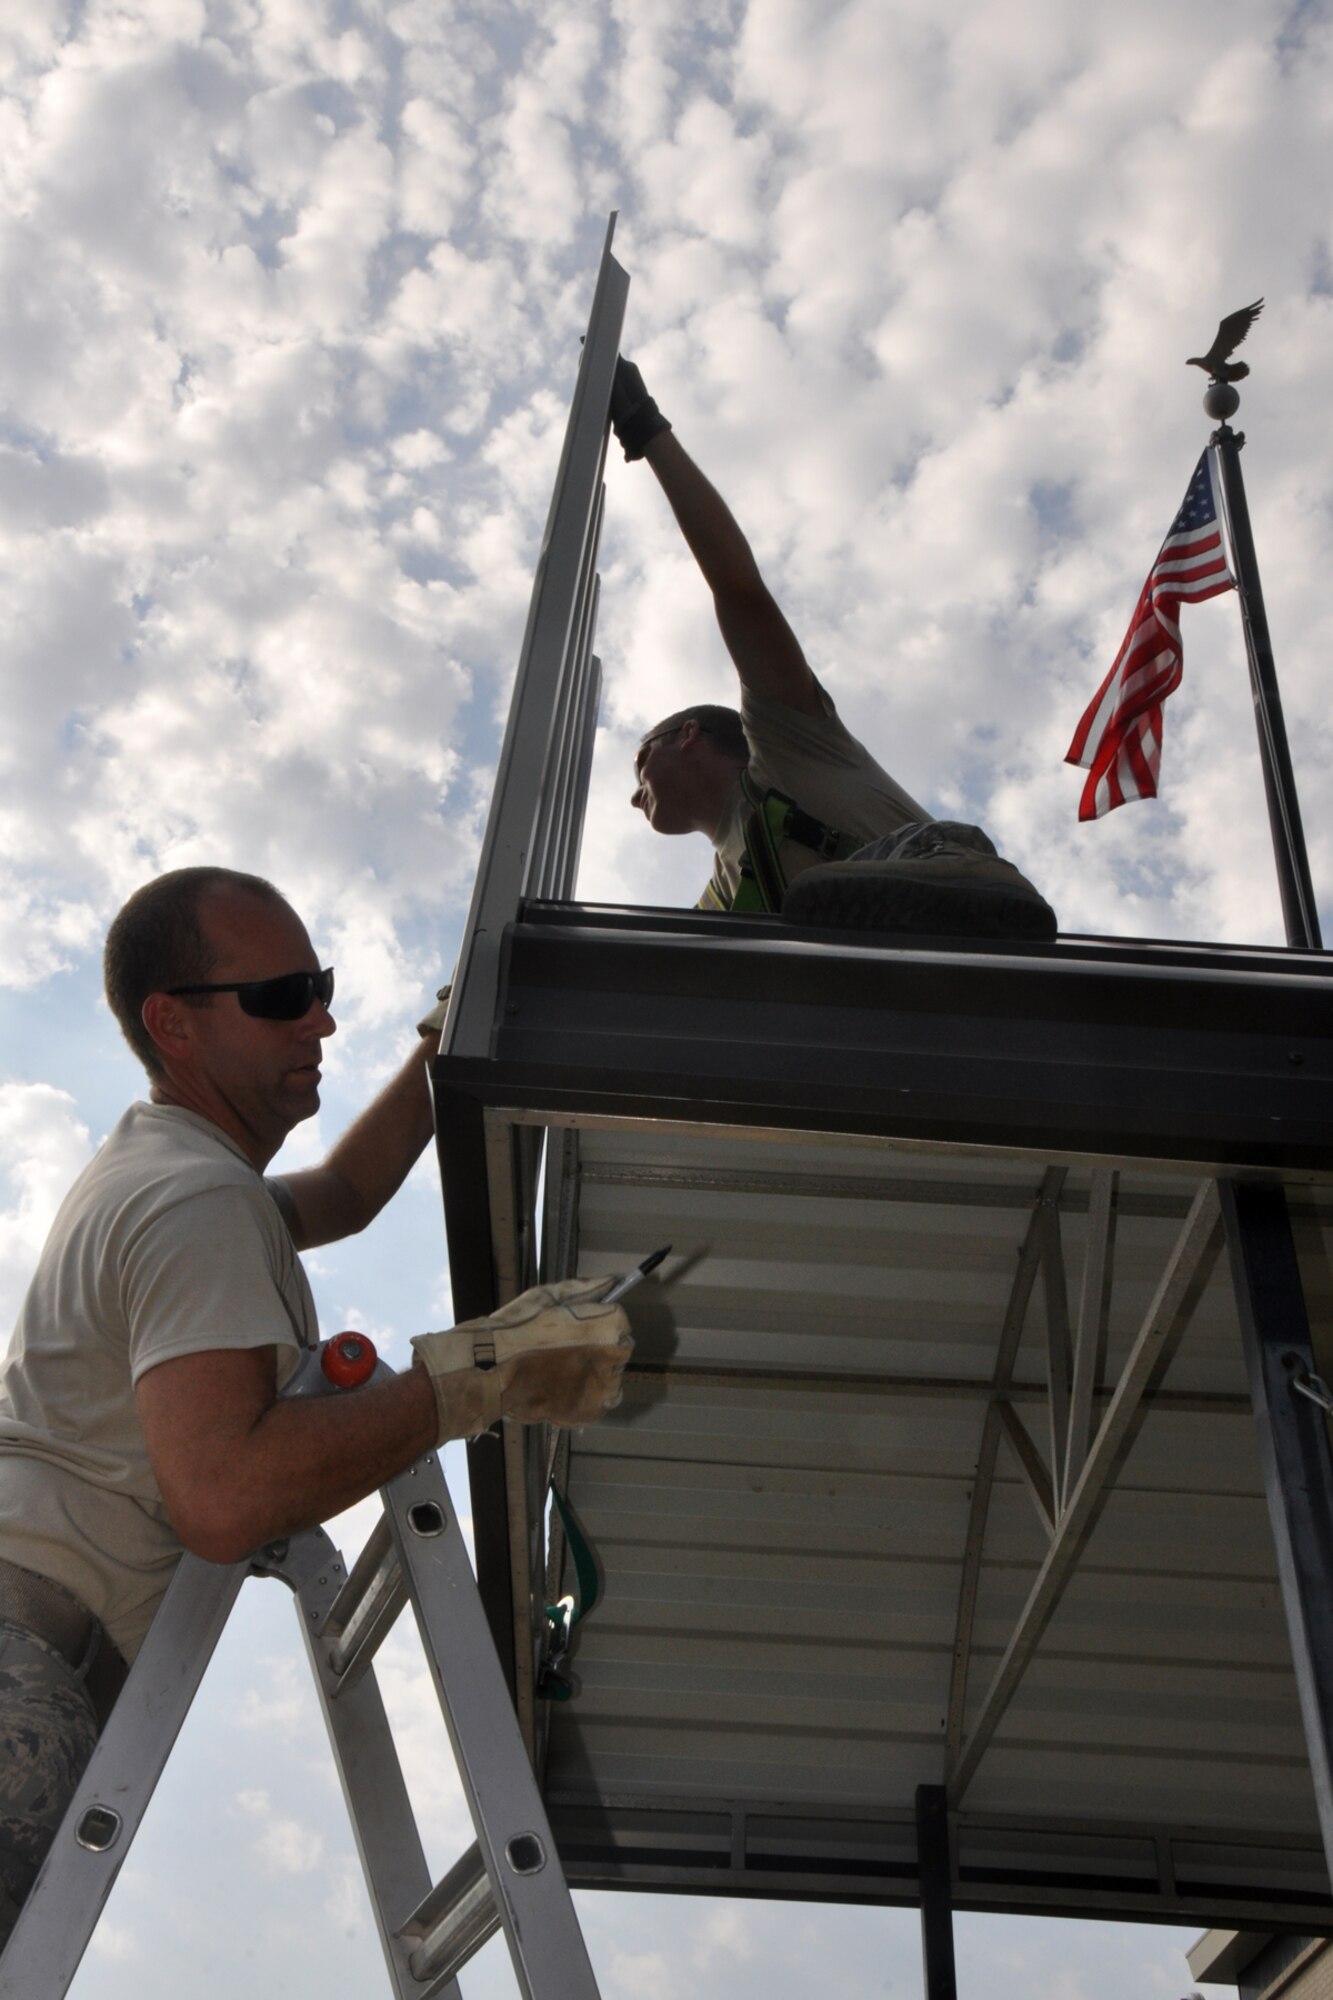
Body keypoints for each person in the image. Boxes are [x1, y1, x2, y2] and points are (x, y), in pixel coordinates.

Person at [0, 865, 630, 1942]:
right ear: (174, 1024)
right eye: (283, 995)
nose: (323, 1016)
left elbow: (342, 1192)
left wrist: (450, 1043)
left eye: (321, 982)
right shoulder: (193, 1198)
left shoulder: (179, 1167)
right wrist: (481, 1373)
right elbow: (224, 1493)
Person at [612, 358, 1058, 941]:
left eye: (642, 763)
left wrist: (647, 432)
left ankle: (965, 891)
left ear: (688, 734)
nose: (631, 795)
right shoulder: (717, 904)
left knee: (823, 894)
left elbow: (739, 591)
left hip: (944, 894)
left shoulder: (788, 742)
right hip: (880, 1007)